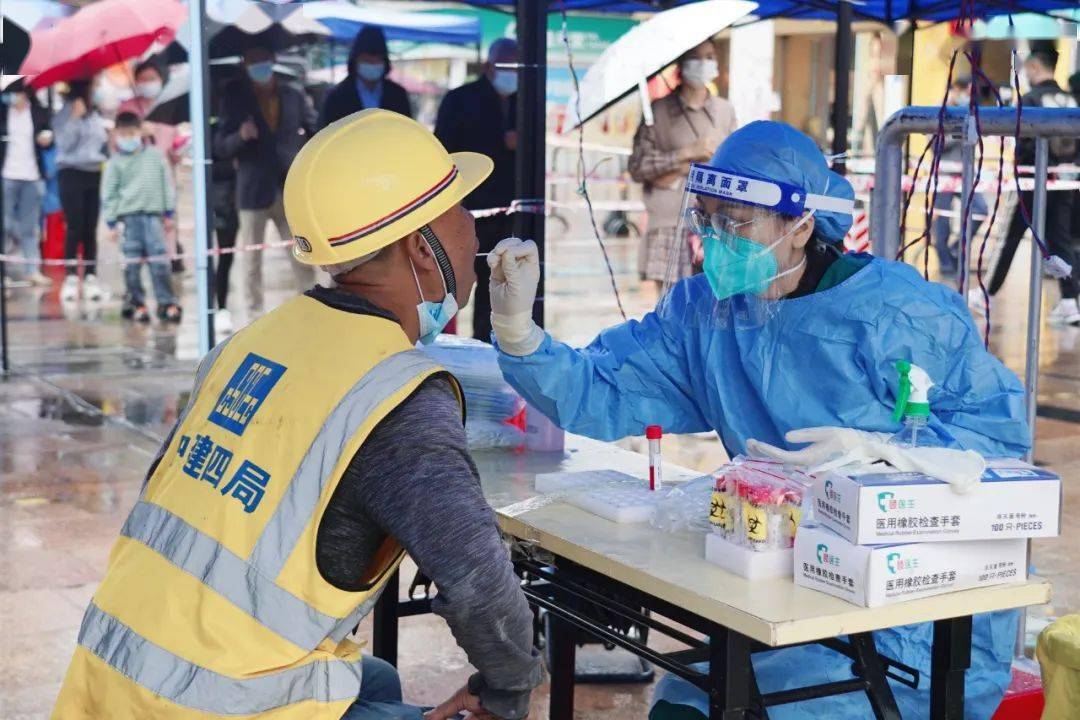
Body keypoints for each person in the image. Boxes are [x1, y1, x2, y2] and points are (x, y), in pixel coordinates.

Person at [487, 121, 1029, 719]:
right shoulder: (707, 315)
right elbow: (606, 387)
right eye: (707, 219)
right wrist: (520, 334)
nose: (714, 239)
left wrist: (882, 455)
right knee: (686, 703)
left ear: (799, 227)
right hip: (784, 581)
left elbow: (999, 444)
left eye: (736, 223)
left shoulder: (897, 314)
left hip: (911, 618)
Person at [51, 109, 542, 720]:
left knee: (379, 681)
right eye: (460, 206)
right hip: (212, 704)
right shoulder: (396, 394)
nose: (475, 225)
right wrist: (506, 694)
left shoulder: (254, 340)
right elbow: (482, 590)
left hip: (112, 677)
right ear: (421, 247)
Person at [214, 45, 316, 318]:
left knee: (302, 251)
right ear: (245, 65)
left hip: (287, 185)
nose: (259, 66)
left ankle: (314, 307)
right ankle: (253, 314)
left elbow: (313, 129)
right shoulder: (235, 100)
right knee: (251, 260)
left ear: (272, 60)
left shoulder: (292, 95)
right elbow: (220, 146)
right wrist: (240, 136)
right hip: (251, 191)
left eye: (263, 60)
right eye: (253, 61)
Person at [629, 41, 737, 297]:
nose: (703, 63)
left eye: (710, 56)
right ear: (680, 64)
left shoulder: (724, 111)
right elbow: (638, 166)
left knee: (713, 306)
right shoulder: (658, 110)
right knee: (671, 309)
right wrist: (687, 154)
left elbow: (735, 166)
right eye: (695, 57)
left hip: (714, 223)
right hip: (668, 223)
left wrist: (677, 170)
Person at [983, 46, 1079, 325]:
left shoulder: (1032, 99)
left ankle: (985, 291)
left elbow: (1022, 142)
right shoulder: (1070, 99)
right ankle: (1070, 300)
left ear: (1035, 67)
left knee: (1008, 236)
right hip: (1064, 182)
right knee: (1060, 242)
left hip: (1030, 180)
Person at [434, 38, 519, 343]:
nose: (512, 73)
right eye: (506, 65)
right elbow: (443, 151)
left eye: (516, 66)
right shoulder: (460, 99)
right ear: (488, 66)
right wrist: (501, 142)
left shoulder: (526, 101)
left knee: (499, 288)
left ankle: (489, 346)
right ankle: (448, 347)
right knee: (454, 283)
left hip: (510, 212)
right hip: (467, 208)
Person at [102, 111, 180, 323]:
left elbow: (167, 185)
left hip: (153, 217)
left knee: (160, 263)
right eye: (124, 134)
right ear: (117, 134)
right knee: (132, 265)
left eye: (132, 133)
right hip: (128, 219)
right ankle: (136, 302)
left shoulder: (155, 156)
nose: (128, 137)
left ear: (140, 131)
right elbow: (109, 193)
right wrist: (110, 222)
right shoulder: (115, 162)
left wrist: (168, 212)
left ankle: (166, 302)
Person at [118, 59, 186, 274]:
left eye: (151, 79)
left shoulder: (169, 107)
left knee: (167, 223)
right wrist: (140, 133)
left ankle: (168, 263)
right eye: (142, 79)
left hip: (164, 178)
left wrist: (179, 149)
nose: (147, 83)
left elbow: (174, 149)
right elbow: (118, 145)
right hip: (135, 181)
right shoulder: (128, 109)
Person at [53, 78, 108, 302]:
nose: (97, 91)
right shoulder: (64, 113)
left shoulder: (95, 115)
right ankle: (71, 275)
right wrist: (74, 119)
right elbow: (65, 144)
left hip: (93, 172)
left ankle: (91, 275)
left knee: (90, 226)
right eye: (94, 86)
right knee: (74, 225)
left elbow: (101, 142)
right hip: (71, 172)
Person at [932, 76, 988, 277]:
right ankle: (945, 261)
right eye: (966, 91)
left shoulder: (970, 113)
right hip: (946, 174)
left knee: (981, 210)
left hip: (965, 174)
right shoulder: (942, 113)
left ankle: (957, 248)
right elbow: (936, 146)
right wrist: (959, 133)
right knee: (943, 221)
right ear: (956, 90)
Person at [1, 81, 53, 287]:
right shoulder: (3, 112)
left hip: (32, 175)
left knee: (30, 226)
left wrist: (47, 138)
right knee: (4, 224)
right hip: (7, 174)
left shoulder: (39, 112)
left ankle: (32, 269)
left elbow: (50, 135)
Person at [318, 25, 412, 128]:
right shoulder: (336, 97)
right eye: (366, 60)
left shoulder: (398, 95)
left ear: (385, 62)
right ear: (355, 61)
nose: (372, 64)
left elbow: (407, 129)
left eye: (376, 60)